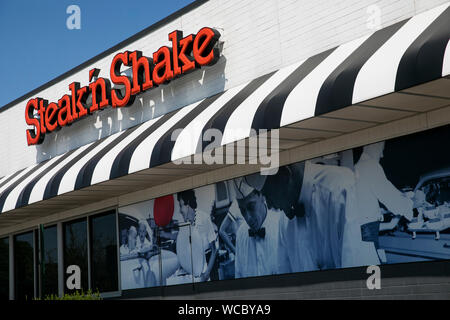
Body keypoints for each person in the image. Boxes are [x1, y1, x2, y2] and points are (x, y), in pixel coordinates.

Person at [261, 160, 357, 272]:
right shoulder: (284, 222)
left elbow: (355, 272)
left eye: (268, 194)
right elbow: (284, 276)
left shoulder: (340, 188)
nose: (268, 205)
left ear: (285, 176)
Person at [342, 141, 414, 267]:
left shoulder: (358, 167)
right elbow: (390, 196)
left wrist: (392, 218)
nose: (382, 155)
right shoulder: (370, 165)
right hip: (368, 234)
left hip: (363, 232)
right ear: (373, 146)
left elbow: (365, 209)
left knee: (370, 271)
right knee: (373, 274)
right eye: (381, 149)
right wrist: (411, 202)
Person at [232, 174, 281, 278]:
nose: (248, 217)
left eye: (251, 207)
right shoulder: (240, 234)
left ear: (262, 196)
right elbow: (239, 275)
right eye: (242, 211)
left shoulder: (281, 226)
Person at [177, 189, 218, 282]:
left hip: (207, 270)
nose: (180, 211)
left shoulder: (204, 218)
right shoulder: (186, 224)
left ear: (188, 204)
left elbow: (214, 250)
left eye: (181, 206)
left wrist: (206, 274)